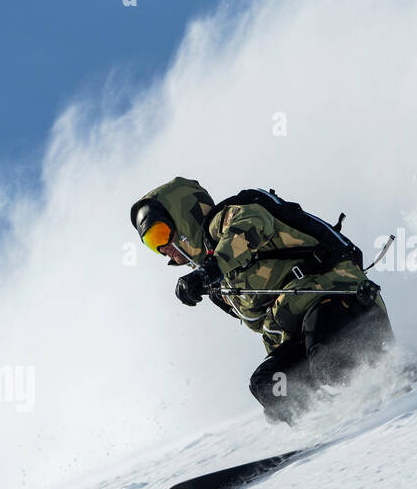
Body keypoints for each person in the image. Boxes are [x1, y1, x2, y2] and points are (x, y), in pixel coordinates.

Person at [130, 177, 394, 423]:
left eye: (161, 234)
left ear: (181, 219)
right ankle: (323, 424)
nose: (163, 248)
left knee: (330, 364)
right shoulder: (221, 285)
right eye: (153, 244)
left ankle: (394, 378)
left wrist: (208, 270)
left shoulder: (225, 220)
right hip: (304, 334)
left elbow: (252, 224)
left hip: (340, 300)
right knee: (268, 384)